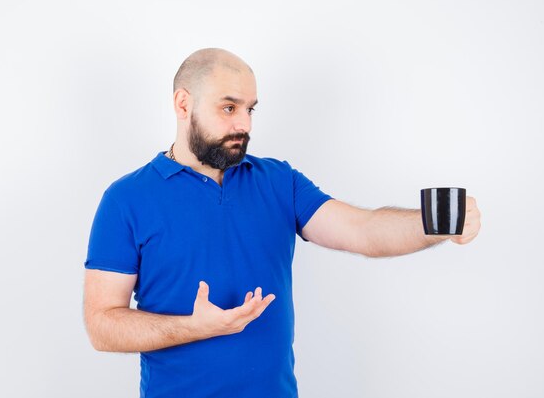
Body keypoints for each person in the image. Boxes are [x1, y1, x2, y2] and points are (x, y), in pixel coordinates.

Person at [83, 48, 481, 398]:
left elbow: (362, 231)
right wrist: (194, 327)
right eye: (228, 107)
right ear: (183, 104)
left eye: (250, 108)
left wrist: (434, 225)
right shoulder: (126, 199)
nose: (245, 124)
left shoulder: (278, 181)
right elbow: (102, 324)